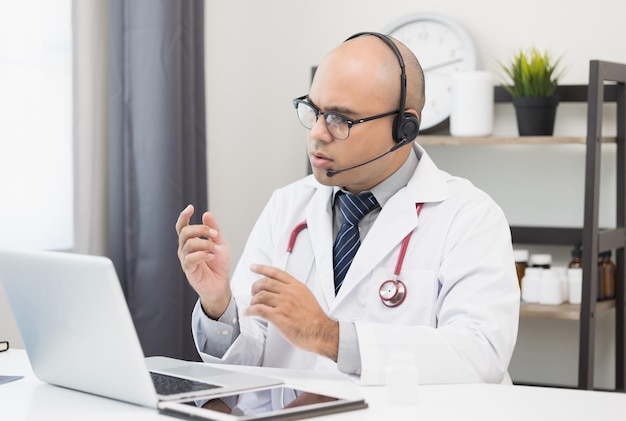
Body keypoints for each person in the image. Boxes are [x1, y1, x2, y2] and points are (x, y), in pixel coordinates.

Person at [176, 32, 520, 387]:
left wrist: (330, 336)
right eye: (313, 111)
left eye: (341, 119)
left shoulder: (470, 217)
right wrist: (219, 304)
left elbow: (480, 356)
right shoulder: (288, 205)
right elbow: (252, 357)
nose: (318, 134)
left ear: (405, 127)